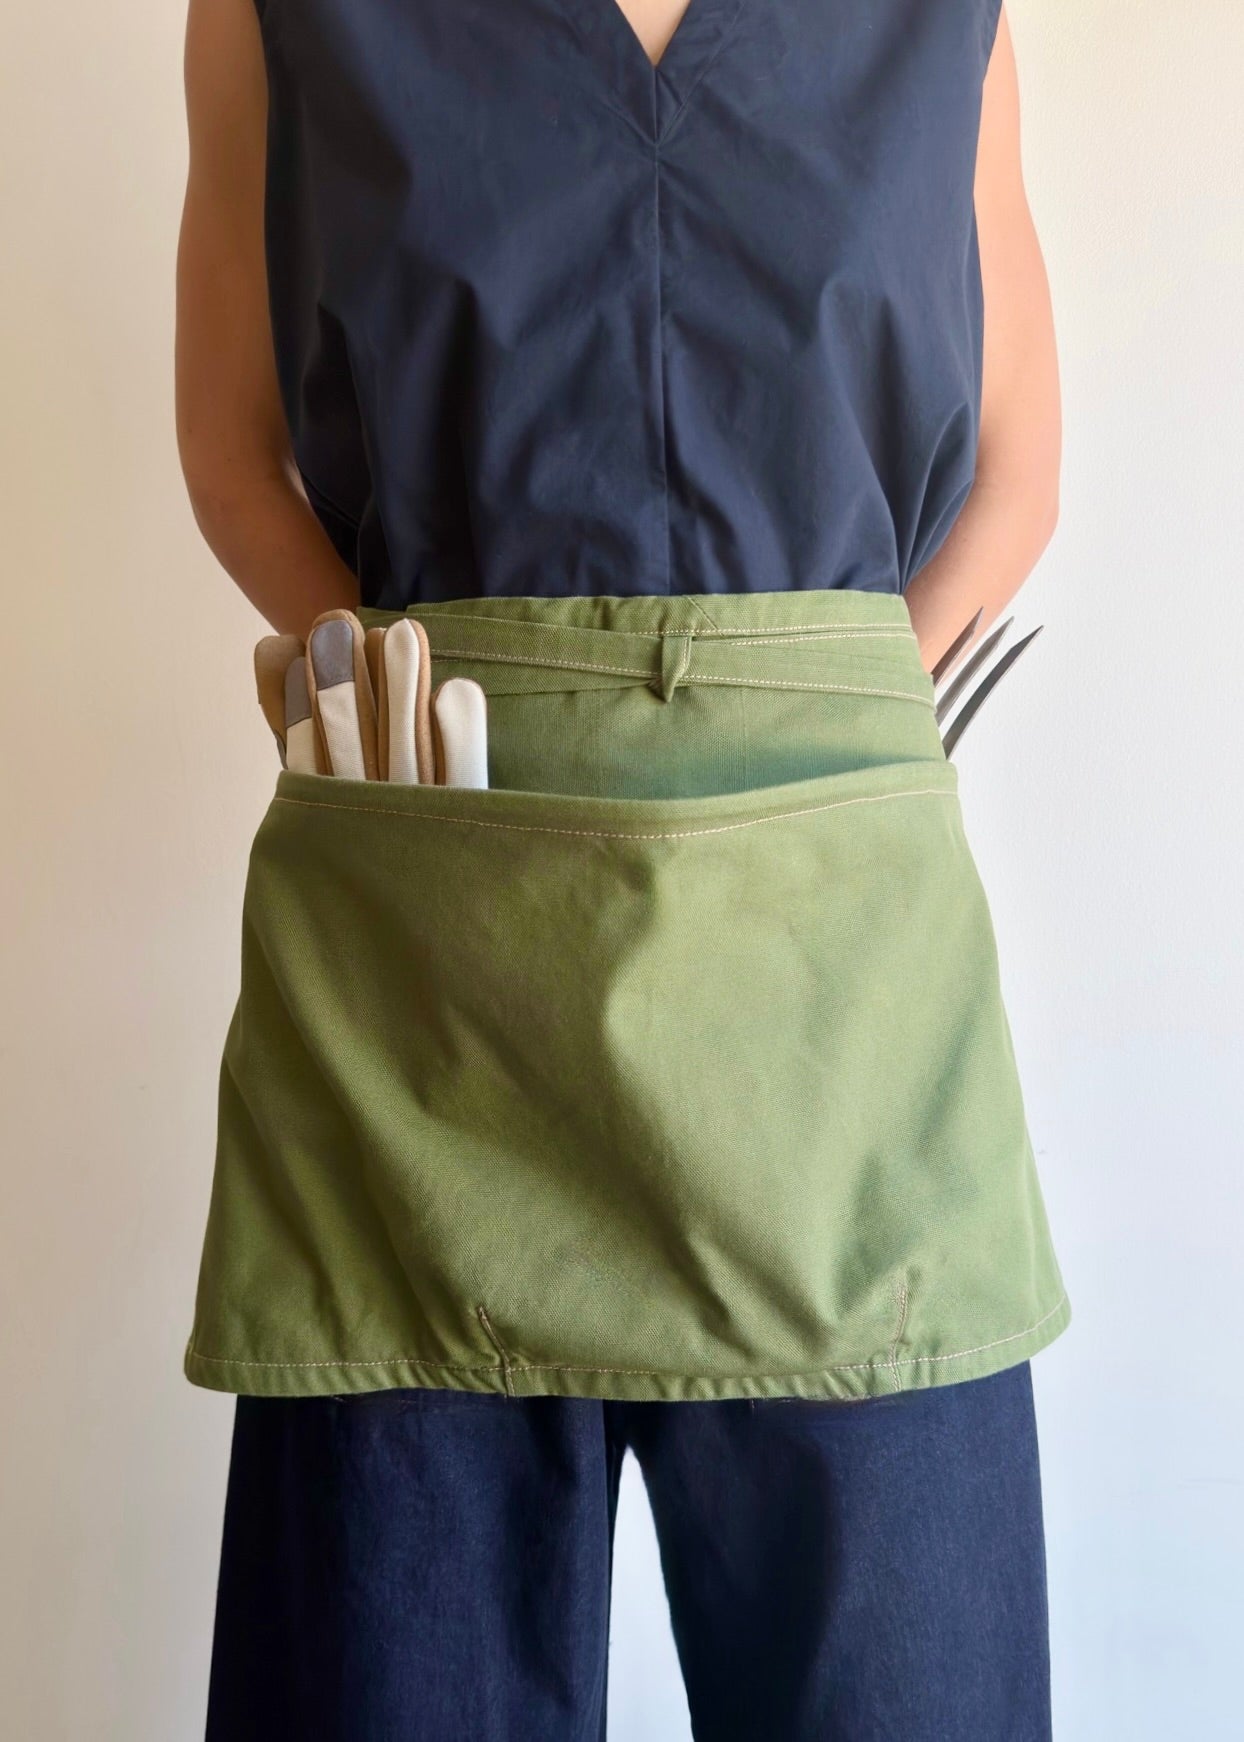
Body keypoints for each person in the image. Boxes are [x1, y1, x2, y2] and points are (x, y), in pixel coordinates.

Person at [175, 1, 1065, 1736]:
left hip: (840, 1013)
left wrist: (825, 724)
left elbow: (1018, 470)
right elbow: (233, 454)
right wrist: (426, 701)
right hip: (428, 995)